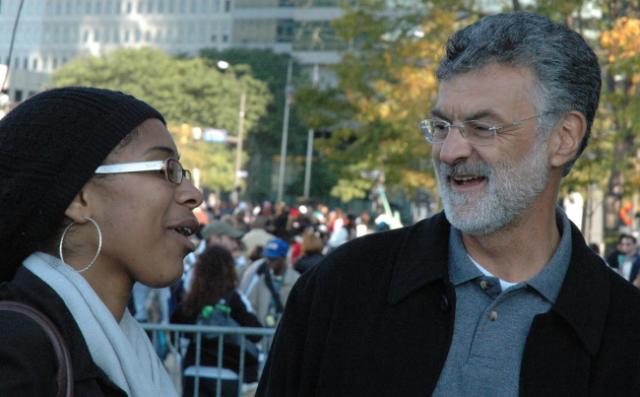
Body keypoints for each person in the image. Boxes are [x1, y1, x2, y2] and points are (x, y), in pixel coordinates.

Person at [257, 12, 640, 397]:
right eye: (441, 127)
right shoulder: (341, 288)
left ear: (563, 138)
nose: (450, 151)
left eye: (483, 128)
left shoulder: (624, 331)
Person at [0, 87, 203, 396]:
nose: (194, 194)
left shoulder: (127, 349)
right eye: (166, 169)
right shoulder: (17, 350)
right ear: (80, 198)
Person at [171, 244, 263, 397]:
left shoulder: (193, 300)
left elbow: (176, 327)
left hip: (194, 371)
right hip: (228, 372)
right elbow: (256, 332)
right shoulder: (234, 299)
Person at [240, 239, 299, 328]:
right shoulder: (261, 276)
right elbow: (251, 304)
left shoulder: (295, 279)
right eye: (267, 258)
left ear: (283, 258)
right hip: (262, 333)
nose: (269, 261)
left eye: (273, 259)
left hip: (283, 332)